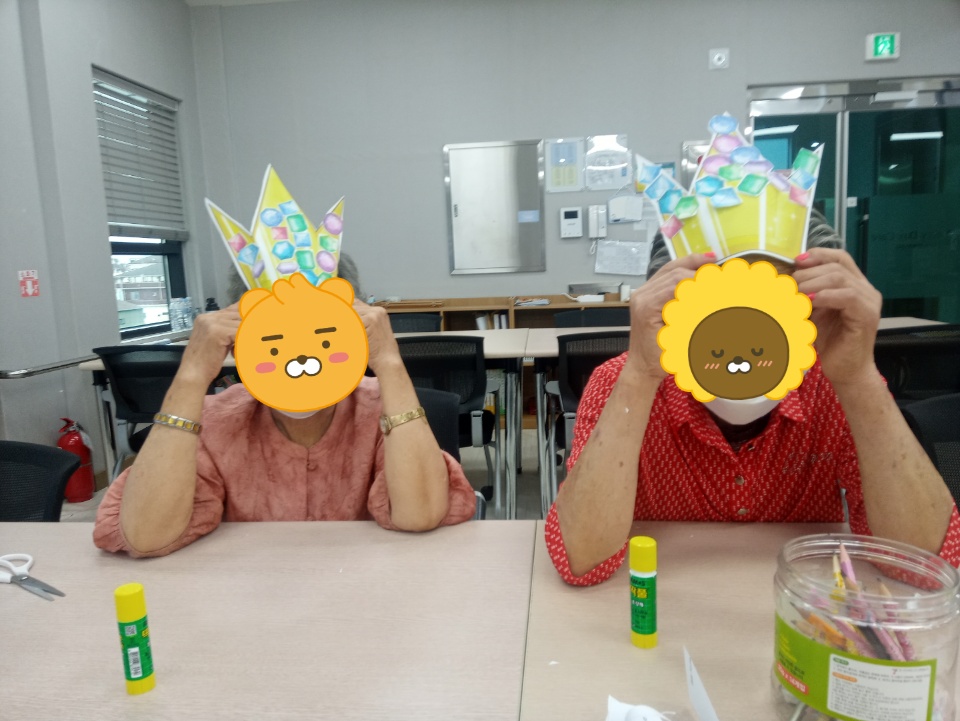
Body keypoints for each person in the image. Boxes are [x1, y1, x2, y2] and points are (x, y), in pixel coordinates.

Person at [547, 213, 960, 586]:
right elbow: (581, 560)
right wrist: (640, 374)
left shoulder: (833, 386)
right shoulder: (622, 381)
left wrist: (859, 379)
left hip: (801, 605)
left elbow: (925, 566)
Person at [94, 262, 476, 558]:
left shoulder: (382, 409)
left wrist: (389, 361)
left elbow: (420, 514)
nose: (301, 357)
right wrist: (191, 375)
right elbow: (146, 535)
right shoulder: (215, 420)